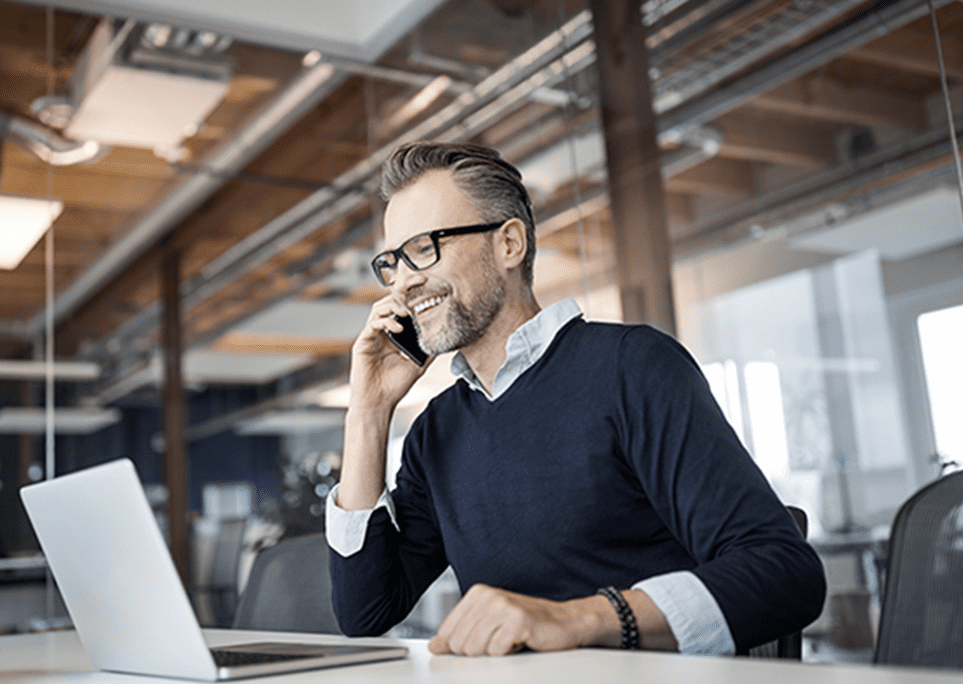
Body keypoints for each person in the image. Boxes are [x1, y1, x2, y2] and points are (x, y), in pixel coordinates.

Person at [325, 141, 826, 658]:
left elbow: (785, 573)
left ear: (509, 244)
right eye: (391, 262)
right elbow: (366, 611)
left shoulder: (632, 367)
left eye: (425, 247)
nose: (404, 282)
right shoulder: (437, 431)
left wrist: (576, 619)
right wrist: (368, 413)